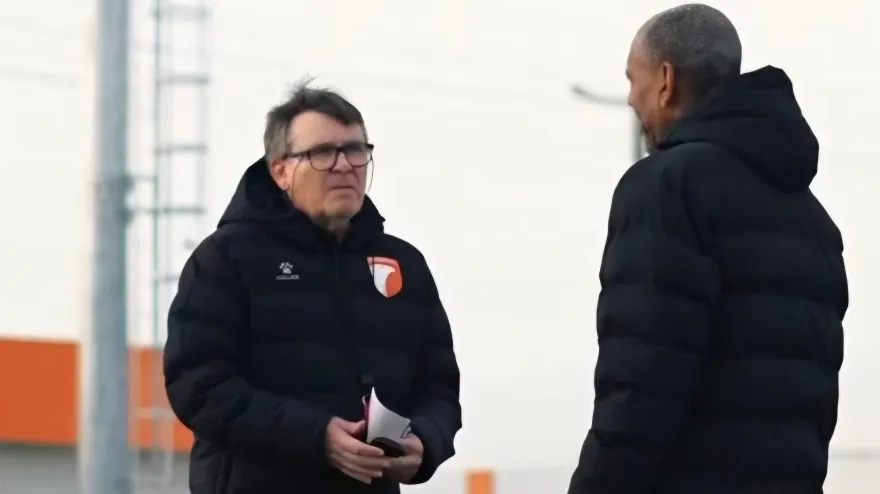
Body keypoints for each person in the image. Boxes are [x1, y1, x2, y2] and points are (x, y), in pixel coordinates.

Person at [568, 4, 847, 493]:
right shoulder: (812, 218)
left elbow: (642, 383)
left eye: (634, 78)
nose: (632, 98)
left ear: (666, 80)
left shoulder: (664, 188)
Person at [164, 81, 462, 493]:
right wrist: (316, 436)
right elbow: (198, 385)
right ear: (280, 170)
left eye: (355, 150)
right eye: (322, 152)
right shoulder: (225, 260)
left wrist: (425, 443)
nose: (343, 165)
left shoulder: (403, 265)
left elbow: (439, 387)